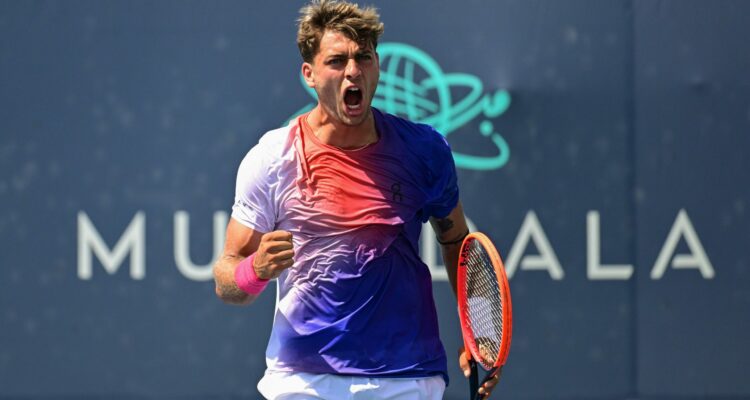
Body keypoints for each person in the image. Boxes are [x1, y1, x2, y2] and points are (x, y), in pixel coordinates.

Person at [213, 0, 500, 398]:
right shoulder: (272, 158)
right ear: (309, 74)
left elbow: (458, 245)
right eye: (337, 61)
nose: (353, 71)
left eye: (363, 58)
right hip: (303, 380)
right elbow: (228, 283)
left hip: (406, 378)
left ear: (377, 67)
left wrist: (480, 330)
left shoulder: (425, 151)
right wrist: (257, 268)